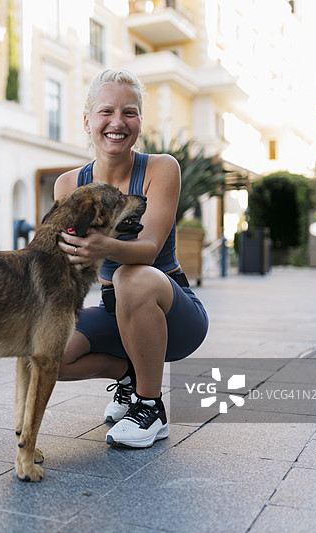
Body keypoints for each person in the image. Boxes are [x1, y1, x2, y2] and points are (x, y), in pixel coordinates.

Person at [53, 69, 208, 448]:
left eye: (130, 112)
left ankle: (150, 406)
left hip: (171, 310)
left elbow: (149, 248)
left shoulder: (161, 168)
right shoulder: (68, 183)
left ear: (139, 121)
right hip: (112, 313)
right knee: (44, 351)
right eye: (106, 112)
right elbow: (65, 262)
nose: (118, 122)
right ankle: (128, 375)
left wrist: (102, 247)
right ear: (87, 120)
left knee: (131, 276)